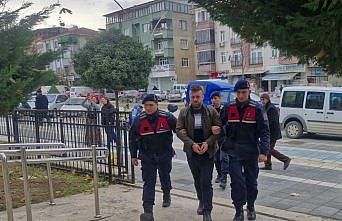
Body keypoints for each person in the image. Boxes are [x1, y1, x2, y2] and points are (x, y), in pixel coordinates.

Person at [221, 80, 270, 221]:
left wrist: (264, 152)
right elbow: (219, 123)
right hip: (233, 151)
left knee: (251, 182)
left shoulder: (257, 108)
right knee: (236, 182)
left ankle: (251, 206)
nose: (241, 95)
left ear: (249, 92)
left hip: (251, 151)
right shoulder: (228, 107)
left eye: (244, 92)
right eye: (238, 93)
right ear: (235, 93)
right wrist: (218, 130)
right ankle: (238, 210)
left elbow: (265, 132)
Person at [176, 84, 222, 221]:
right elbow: (178, 130)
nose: (195, 99)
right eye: (192, 97)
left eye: (197, 97)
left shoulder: (211, 111)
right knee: (197, 180)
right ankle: (201, 201)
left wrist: (208, 143)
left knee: (206, 181)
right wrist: (191, 144)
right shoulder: (184, 112)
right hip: (192, 151)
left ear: (202, 97)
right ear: (189, 97)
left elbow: (218, 129)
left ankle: (207, 210)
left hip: (208, 151)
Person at [129, 94, 177, 221]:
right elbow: (132, 139)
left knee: (165, 176)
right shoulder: (139, 120)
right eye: (146, 106)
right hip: (147, 156)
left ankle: (166, 194)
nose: (148, 108)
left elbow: (180, 130)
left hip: (164, 154)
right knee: (148, 182)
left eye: (151, 105)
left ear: (156, 105)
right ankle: (148, 211)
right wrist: (133, 155)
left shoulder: (167, 117)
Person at [260, 93, 291, 170]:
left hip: (273, 133)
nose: (262, 101)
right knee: (267, 148)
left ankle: (285, 159)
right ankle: (268, 165)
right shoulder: (265, 107)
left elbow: (272, 122)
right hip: (268, 133)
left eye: (263, 99)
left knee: (269, 149)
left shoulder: (271, 108)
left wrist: (264, 126)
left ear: (267, 99)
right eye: (261, 99)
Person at [210, 91, 229, 189]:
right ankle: (219, 174)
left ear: (219, 99)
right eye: (212, 98)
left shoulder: (225, 108)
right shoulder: (209, 109)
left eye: (216, 98)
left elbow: (228, 121)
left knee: (223, 158)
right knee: (216, 158)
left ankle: (224, 178)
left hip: (224, 137)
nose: (214, 100)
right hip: (214, 138)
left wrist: (222, 128)